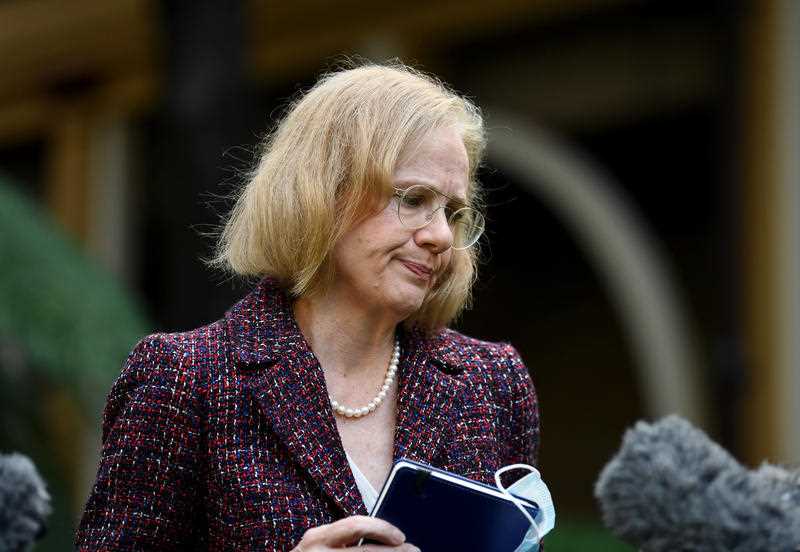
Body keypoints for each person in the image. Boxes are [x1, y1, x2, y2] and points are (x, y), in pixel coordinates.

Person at [76, 62, 541, 551]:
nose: (441, 235)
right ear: (325, 192)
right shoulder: (186, 379)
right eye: (414, 198)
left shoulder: (494, 383)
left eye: (453, 211)